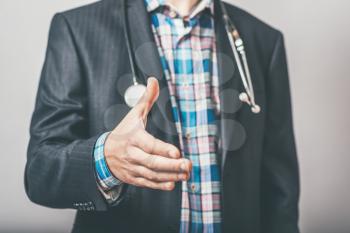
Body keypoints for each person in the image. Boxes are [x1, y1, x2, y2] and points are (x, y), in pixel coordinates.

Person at [25, 0, 300, 232]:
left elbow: (281, 191)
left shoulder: (263, 41)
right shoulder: (77, 29)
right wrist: (105, 161)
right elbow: (41, 173)